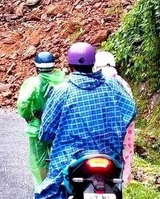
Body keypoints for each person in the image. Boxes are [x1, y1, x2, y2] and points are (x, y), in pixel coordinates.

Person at [36, 43, 136, 199]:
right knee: (115, 185)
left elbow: (46, 131)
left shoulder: (62, 90)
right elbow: (130, 110)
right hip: (109, 155)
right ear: (93, 63)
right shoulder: (112, 85)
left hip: (70, 158)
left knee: (48, 193)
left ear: (70, 66)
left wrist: (47, 136)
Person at [17, 51, 66, 188]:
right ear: (53, 66)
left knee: (39, 162)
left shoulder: (33, 82)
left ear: (36, 67)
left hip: (38, 126)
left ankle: (43, 189)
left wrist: (29, 116)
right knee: (61, 157)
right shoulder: (63, 79)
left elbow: (23, 104)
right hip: (60, 127)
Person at [94, 51, 135, 186]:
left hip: (100, 129)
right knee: (125, 152)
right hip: (124, 128)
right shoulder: (123, 83)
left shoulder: (95, 80)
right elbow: (131, 108)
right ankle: (122, 180)